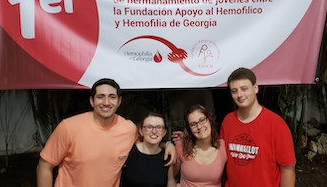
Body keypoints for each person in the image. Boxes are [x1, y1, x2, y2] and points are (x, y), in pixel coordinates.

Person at [36, 78, 176, 187]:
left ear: (119, 101)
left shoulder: (128, 129)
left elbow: (148, 143)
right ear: (92, 101)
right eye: (100, 96)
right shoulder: (69, 127)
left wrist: (167, 144)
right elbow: (45, 166)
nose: (106, 102)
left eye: (112, 97)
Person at [220, 67, 296, 187]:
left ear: (255, 88)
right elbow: (217, 152)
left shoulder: (277, 125)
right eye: (234, 91)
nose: (239, 95)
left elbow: (287, 170)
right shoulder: (228, 121)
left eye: (244, 89)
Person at [173, 104, 227, 187]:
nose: (199, 127)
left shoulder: (223, 147)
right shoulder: (181, 147)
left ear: (209, 120)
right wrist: (168, 144)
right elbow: (170, 177)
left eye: (202, 120)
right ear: (189, 129)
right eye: (193, 124)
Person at [120, 112, 177, 187]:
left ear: (164, 132)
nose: (154, 131)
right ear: (141, 131)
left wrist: (169, 144)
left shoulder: (166, 156)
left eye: (159, 127)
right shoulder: (129, 151)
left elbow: (170, 181)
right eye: (149, 127)